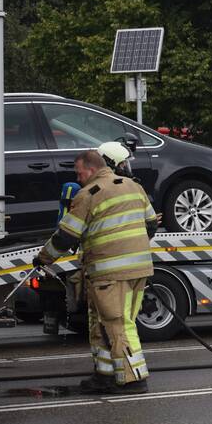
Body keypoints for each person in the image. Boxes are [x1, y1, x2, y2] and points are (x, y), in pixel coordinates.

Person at [37, 149, 159, 394]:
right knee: (102, 323)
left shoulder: (88, 194)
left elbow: (66, 236)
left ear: (91, 170)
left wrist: (43, 258)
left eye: (79, 172)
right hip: (139, 269)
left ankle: (134, 378)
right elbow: (151, 224)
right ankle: (105, 374)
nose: (77, 177)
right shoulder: (133, 186)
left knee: (117, 324)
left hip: (109, 272)